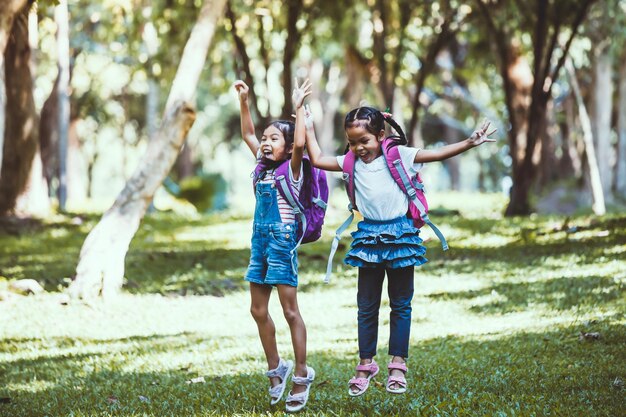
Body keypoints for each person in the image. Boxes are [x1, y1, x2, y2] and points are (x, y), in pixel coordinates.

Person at [303, 105, 496, 396]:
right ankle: (365, 364)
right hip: (368, 236)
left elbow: (436, 153)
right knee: (365, 306)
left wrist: (469, 142)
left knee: (401, 304)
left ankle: (397, 364)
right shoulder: (350, 161)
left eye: (364, 141)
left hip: (401, 235)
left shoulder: (401, 156)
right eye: (352, 142)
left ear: (381, 135)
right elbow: (317, 159)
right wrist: (307, 125)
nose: (358, 147)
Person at [234, 78, 315, 412]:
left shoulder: (291, 170)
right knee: (257, 310)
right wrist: (243, 101)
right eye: (265, 138)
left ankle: (300, 372)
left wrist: (298, 108)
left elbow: (299, 145)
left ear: (285, 146)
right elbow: (247, 134)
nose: (265, 143)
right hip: (260, 245)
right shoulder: (260, 169)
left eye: (273, 138)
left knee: (290, 311)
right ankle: (275, 367)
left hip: (282, 245)